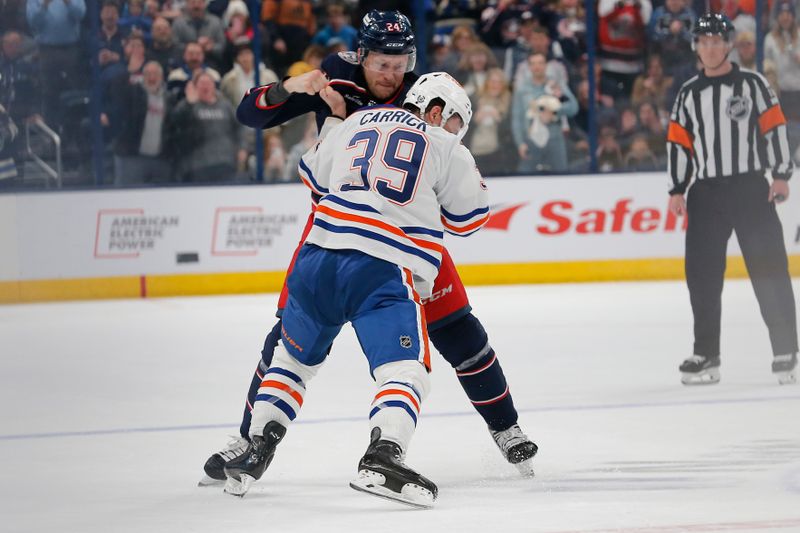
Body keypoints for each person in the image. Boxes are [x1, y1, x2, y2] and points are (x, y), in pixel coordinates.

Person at [199, 9, 537, 487]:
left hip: (399, 233)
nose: (391, 74)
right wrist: (290, 88)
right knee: (289, 334)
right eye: (381, 63)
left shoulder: (422, 92)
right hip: (342, 226)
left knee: (457, 327)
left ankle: (506, 427)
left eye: (400, 64)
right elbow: (250, 114)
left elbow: (316, 170)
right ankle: (247, 440)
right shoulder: (336, 76)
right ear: (362, 54)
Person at [223, 73, 487, 508]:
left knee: (291, 361)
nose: (457, 132)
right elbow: (469, 219)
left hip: (316, 257)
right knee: (405, 369)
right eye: (457, 122)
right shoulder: (444, 144)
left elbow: (314, 177)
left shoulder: (354, 123)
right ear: (437, 111)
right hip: (379, 267)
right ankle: (384, 456)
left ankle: (256, 447)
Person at [666, 13, 798, 386]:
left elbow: (774, 127)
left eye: (716, 40)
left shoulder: (753, 84)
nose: (709, 47)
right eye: (703, 41)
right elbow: (679, 142)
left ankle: (786, 349)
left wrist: (782, 175)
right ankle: (706, 354)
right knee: (702, 277)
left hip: (751, 188)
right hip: (705, 193)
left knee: (768, 268)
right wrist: (677, 188)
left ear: (728, 45)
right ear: (696, 46)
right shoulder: (689, 93)